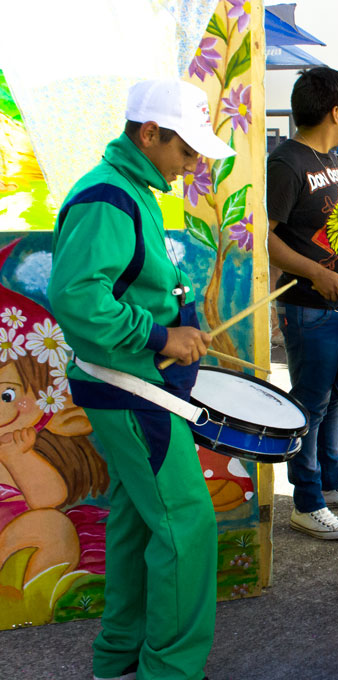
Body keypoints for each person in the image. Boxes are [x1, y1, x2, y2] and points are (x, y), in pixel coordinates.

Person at [49, 78, 234, 680]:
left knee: (135, 522)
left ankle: (120, 659)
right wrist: (160, 337)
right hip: (128, 388)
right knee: (187, 525)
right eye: (186, 150)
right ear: (148, 134)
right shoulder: (108, 197)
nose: (194, 163)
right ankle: (171, 671)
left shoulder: (133, 188)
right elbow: (77, 298)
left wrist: (180, 324)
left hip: (134, 384)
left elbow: (129, 286)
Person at [267, 67, 338, 540]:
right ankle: (305, 501)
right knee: (309, 403)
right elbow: (264, 239)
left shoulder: (327, 159)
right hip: (309, 306)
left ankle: (331, 483)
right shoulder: (287, 163)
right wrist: (315, 271)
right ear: (334, 111)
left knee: (333, 401)